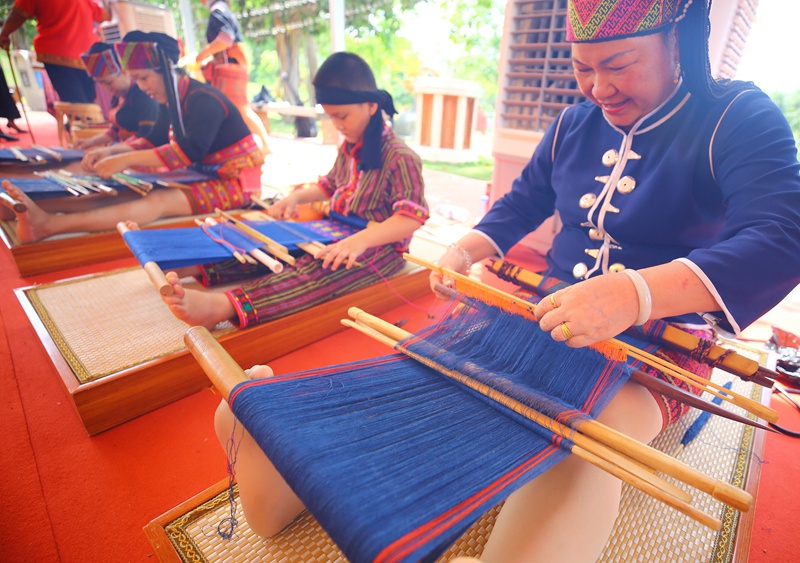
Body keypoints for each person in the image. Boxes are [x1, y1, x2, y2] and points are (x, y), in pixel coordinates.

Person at [423, 0, 800, 562]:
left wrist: (635, 294)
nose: (599, 88)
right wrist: (463, 249)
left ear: (677, 42)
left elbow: (781, 233)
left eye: (619, 64)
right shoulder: (572, 124)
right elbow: (521, 202)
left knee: (586, 438)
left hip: (665, 343)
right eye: (583, 68)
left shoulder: (736, 115)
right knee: (441, 378)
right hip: (547, 315)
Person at [162, 51, 427, 333]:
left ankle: (224, 307)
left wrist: (361, 241)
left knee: (320, 270)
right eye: (331, 116)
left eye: (343, 116)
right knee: (271, 249)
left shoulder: (400, 156)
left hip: (379, 247)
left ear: (371, 106)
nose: (337, 124)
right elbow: (330, 185)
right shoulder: (350, 146)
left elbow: (411, 218)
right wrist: (295, 198)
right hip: (337, 230)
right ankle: (199, 268)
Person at [4, 31, 263, 243]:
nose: (141, 86)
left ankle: (50, 225)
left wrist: (125, 160)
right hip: (202, 173)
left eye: (144, 77)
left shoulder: (203, 99)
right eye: (137, 79)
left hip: (236, 183)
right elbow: (154, 138)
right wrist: (112, 152)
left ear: (166, 68)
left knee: (157, 200)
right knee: (131, 189)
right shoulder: (173, 98)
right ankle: (39, 211)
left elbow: (187, 152)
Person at [0, 0, 112, 104]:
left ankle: (81, 122)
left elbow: (18, 14)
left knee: (75, 101)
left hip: (59, 53)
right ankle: (84, 121)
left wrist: (4, 35)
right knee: (88, 99)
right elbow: (104, 15)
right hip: (86, 55)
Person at [196, 0, 269, 154]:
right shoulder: (221, 9)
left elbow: (225, 39)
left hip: (230, 70)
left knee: (239, 108)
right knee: (238, 108)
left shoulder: (217, 10)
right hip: (232, 67)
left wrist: (201, 55)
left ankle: (265, 146)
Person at [73, 41, 160, 150]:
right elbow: (115, 130)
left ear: (124, 72)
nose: (106, 88)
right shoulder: (120, 94)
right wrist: (90, 142)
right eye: (101, 83)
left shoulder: (144, 96)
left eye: (108, 82)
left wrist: (110, 152)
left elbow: (146, 137)